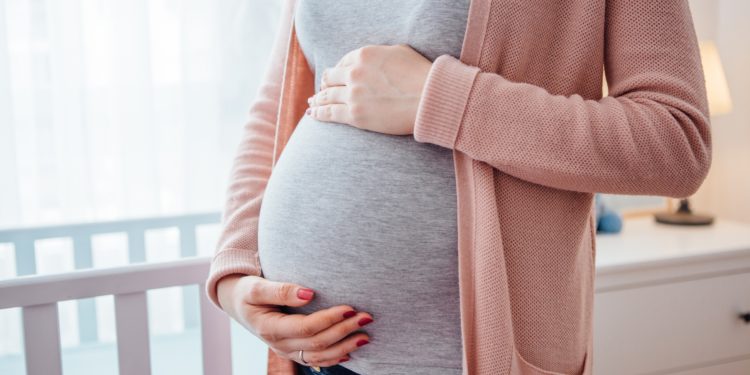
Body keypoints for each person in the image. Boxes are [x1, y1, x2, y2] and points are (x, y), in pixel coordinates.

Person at [205, 0, 712, 374]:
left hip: (467, 358)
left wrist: (444, 99)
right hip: (312, 353)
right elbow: (278, 109)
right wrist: (236, 273)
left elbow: (675, 141)